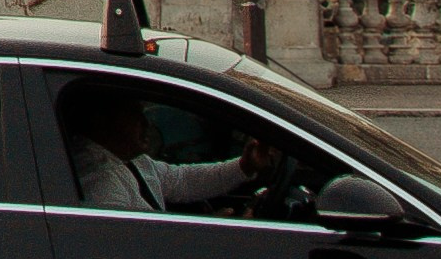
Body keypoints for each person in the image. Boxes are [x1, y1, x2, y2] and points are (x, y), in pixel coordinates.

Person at [61, 78, 279, 213]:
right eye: (134, 114)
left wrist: (244, 166)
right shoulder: (99, 179)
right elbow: (136, 246)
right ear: (102, 121)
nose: (146, 123)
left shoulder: (132, 162)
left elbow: (183, 180)